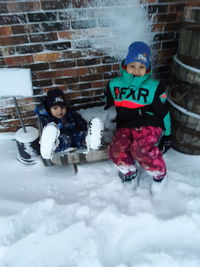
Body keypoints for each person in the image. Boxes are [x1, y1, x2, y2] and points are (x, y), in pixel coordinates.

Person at [104, 41, 171, 193]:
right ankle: (130, 172)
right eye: (132, 66)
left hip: (149, 123)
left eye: (141, 67)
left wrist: (167, 135)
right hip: (126, 124)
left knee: (140, 149)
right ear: (125, 66)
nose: (136, 70)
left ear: (147, 69)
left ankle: (159, 174)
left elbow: (164, 113)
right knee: (116, 149)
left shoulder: (154, 86)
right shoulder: (114, 85)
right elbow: (107, 101)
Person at [35, 89, 104, 159]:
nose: (59, 111)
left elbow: (82, 123)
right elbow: (46, 132)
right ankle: (50, 147)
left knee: (82, 136)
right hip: (62, 142)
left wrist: (86, 131)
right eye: (55, 108)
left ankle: (91, 140)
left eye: (62, 107)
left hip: (76, 138)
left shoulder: (72, 115)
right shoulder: (48, 120)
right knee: (58, 139)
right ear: (49, 109)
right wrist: (50, 134)